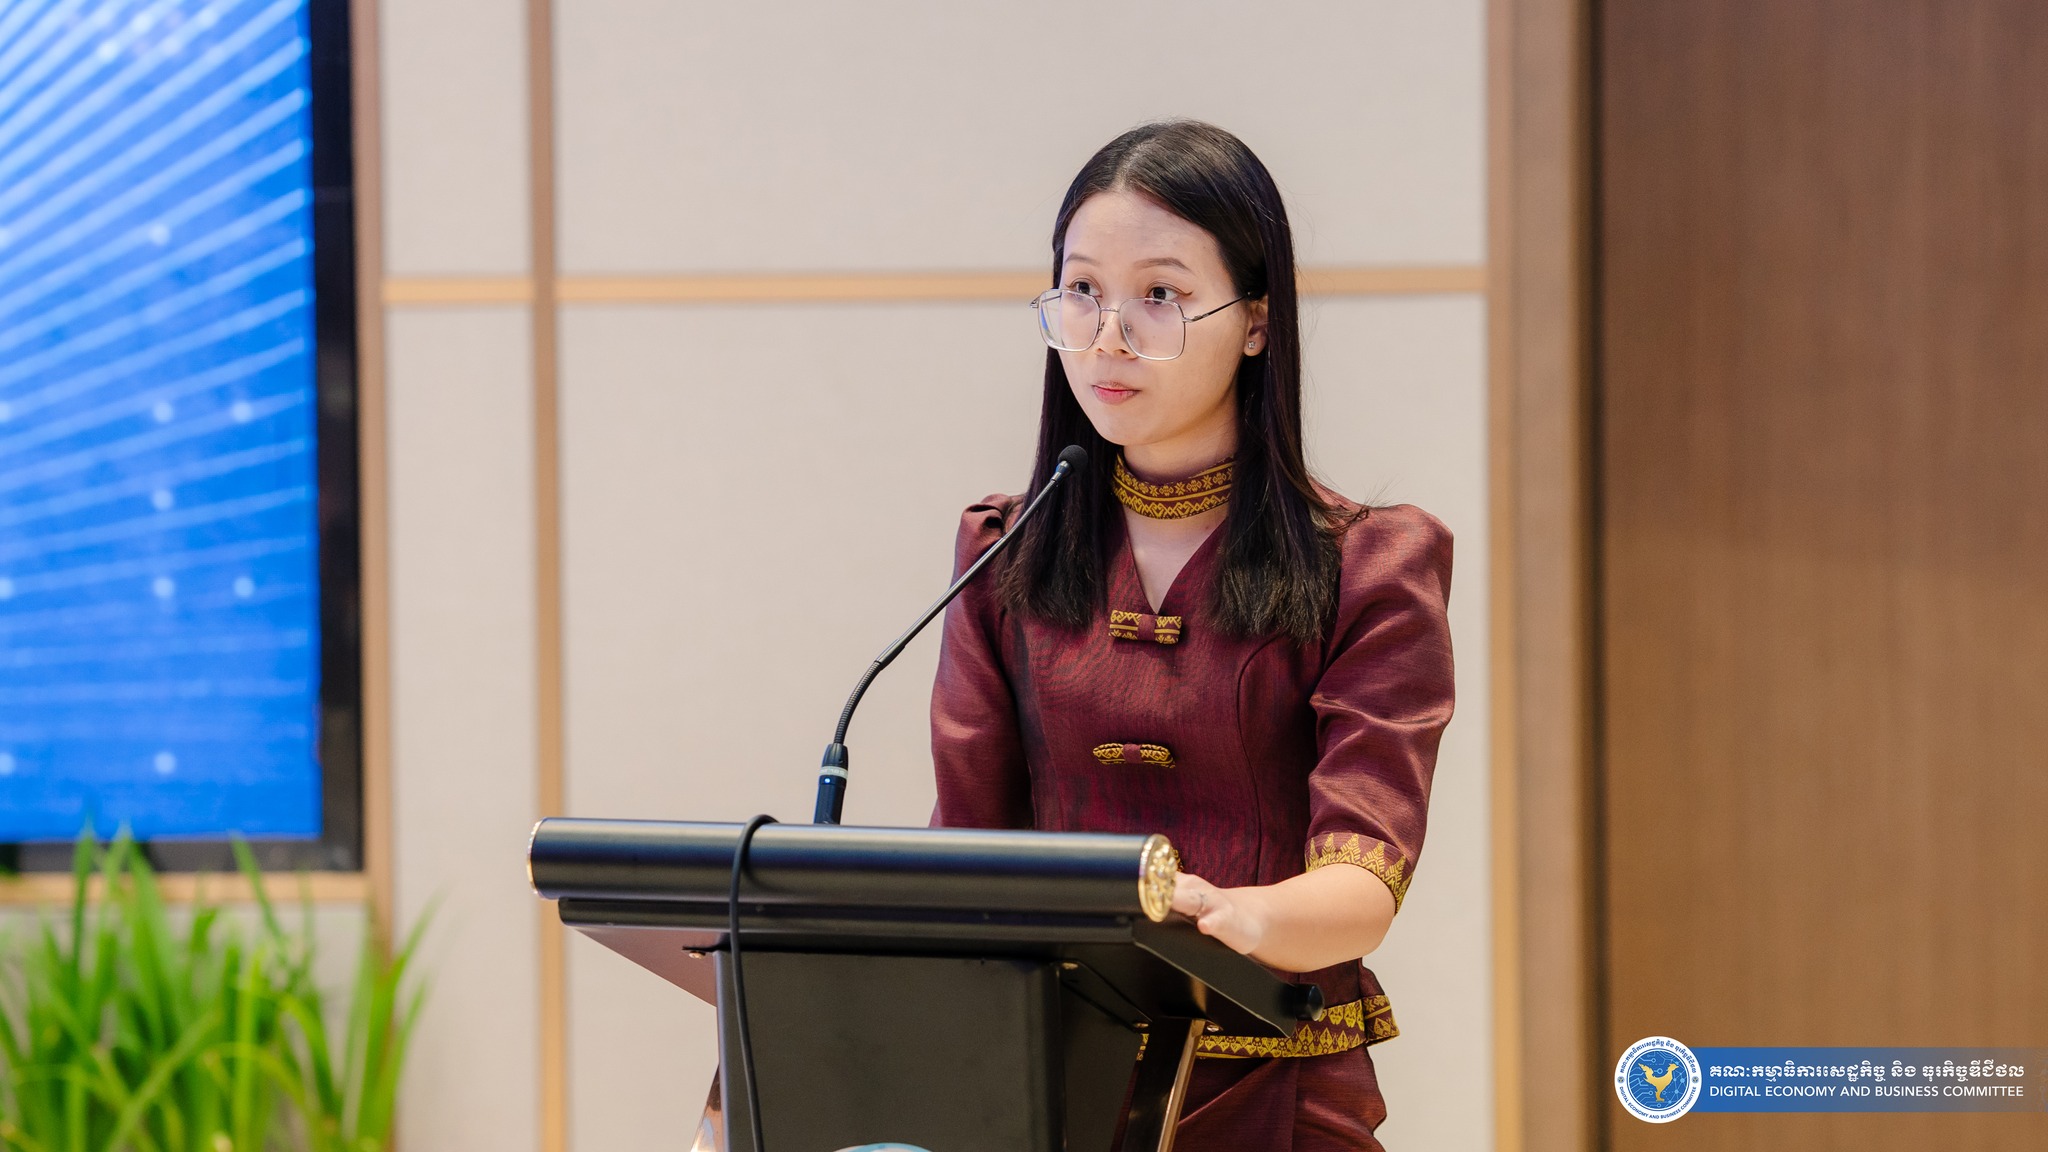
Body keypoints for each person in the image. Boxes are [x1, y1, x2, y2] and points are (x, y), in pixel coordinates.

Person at [929, 120, 1455, 1152]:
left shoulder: (1368, 564)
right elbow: (966, 851)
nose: (1107, 336)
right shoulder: (1003, 551)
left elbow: (1362, 880)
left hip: (1272, 1082)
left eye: (1159, 295)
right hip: (1046, 1086)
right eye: (1081, 291)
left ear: (1255, 321)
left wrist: (1233, 917)